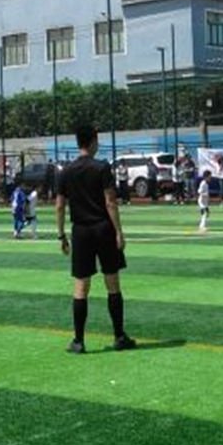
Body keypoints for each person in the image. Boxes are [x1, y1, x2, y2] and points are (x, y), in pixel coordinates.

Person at [55, 125, 136, 354]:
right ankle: (119, 336)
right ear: (92, 142)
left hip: (80, 231)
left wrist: (61, 235)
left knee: (81, 286)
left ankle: (78, 341)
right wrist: (119, 231)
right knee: (112, 283)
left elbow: (60, 206)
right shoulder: (102, 167)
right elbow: (110, 202)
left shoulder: (66, 171)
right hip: (103, 229)